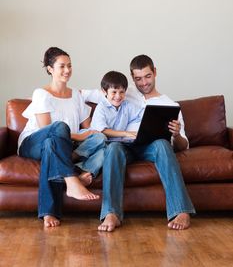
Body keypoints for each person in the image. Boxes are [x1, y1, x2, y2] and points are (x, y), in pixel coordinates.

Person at [82, 54, 196, 232]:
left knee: (163, 144)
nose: (143, 83)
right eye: (138, 79)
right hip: (124, 145)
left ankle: (181, 210)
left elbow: (183, 145)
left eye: (147, 76)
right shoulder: (124, 93)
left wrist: (176, 134)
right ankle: (111, 213)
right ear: (132, 78)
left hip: (151, 147)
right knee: (112, 148)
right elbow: (86, 93)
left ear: (155, 72)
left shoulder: (169, 104)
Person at [18, 47, 106, 228]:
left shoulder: (76, 96)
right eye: (62, 66)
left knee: (101, 140)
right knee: (58, 129)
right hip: (33, 142)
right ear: (50, 69)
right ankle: (71, 179)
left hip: (59, 146)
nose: (67, 70)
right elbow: (47, 130)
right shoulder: (41, 94)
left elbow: (88, 129)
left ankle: (49, 212)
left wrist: (92, 134)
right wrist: (80, 137)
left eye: (70, 66)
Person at [90, 70, 142, 140]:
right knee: (103, 140)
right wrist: (126, 133)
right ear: (104, 91)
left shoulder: (127, 106)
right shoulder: (101, 107)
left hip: (117, 143)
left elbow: (142, 114)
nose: (118, 96)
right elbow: (103, 130)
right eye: (114, 92)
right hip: (98, 141)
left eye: (121, 92)